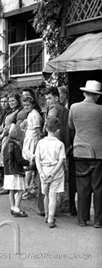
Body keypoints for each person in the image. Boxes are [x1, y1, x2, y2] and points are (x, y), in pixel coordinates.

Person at [68, 80, 102, 228]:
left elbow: (70, 126)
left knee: (82, 186)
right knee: (99, 187)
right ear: (97, 96)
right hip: (98, 152)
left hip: (80, 150)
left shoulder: (74, 107)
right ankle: (99, 220)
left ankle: (82, 219)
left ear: (84, 93)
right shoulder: (101, 110)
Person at [45, 86, 76, 216]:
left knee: (51, 178)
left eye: (50, 98)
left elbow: (50, 122)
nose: (47, 101)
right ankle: (66, 205)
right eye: (46, 99)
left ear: (57, 98)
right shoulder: (67, 110)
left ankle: (50, 210)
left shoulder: (53, 109)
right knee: (64, 178)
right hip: (66, 146)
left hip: (54, 148)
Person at [35, 117, 66, 228]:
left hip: (43, 169)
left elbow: (37, 159)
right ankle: (51, 218)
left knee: (46, 194)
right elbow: (61, 160)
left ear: (46, 128)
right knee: (53, 195)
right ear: (58, 130)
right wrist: (53, 173)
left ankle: (46, 214)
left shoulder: (40, 143)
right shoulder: (60, 144)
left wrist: (41, 172)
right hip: (55, 171)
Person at [0, 93, 22, 195]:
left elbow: (11, 126)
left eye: (13, 101)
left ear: (17, 101)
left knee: (9, 161)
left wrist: (2, 134)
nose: (11, 103)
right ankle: (5, 184)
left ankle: (8, 186)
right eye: (9, 101)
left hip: (10, 138)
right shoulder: (9, 111)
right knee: (5, 161)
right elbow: (3, 124)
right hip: (4, 137)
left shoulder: (18, 112)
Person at [3, 125, 30, 218]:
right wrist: (28, 163)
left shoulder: (7, 145)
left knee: (11, 190)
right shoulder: (16, 147)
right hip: (15, 171)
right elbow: (19, 160)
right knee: (20, 190)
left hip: (8, 171)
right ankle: (17, 208)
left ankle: (12, 207)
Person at [21, 96, 42, 198]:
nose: (26, 107)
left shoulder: (35, 115)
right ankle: (28, 187)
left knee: (28, 166)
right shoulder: (30, 114)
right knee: (27, 166)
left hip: (32, 142)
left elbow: (38, 132)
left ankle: (26, 189)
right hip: (28, 140)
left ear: (33, 104)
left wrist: (39, 144)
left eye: (28, 105)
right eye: (24, 105)